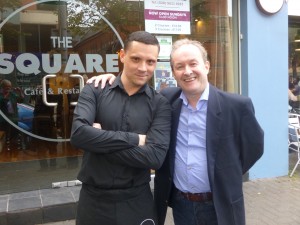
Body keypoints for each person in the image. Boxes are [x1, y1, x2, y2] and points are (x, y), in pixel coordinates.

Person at [88, 38, 264, 225]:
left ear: (206, 66)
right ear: (173, 72)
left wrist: (227, 172)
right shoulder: (166, 101)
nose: (187, 71)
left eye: (193, 64)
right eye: (180, 66)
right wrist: (111, 80)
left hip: (221, 204)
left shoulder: (236, 106)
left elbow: (254, 149)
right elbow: (134, 88)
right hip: (181, 204)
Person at [70, 31, 171, 225]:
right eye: (136, 59)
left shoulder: (160, 104)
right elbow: (79, 135)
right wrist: (134, 139)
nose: (143, 68)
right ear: (122, 56)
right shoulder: (94, 90)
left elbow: (154, 157)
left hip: (137, 200)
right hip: (94, 201)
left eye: (150, 62)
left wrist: (98, 141)